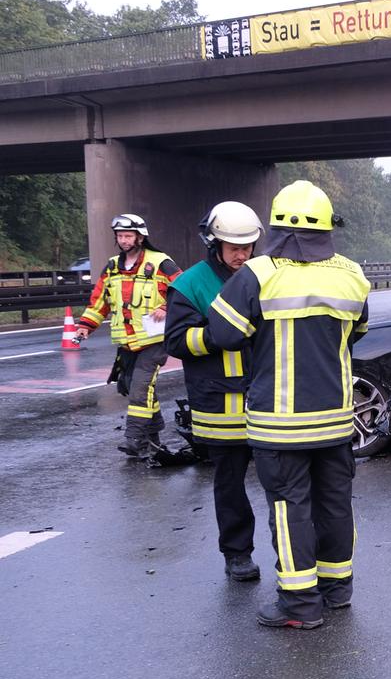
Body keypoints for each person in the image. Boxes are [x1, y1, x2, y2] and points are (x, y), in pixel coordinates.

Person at [207, 181, 370, 629]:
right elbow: (356, 333)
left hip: (279, 425)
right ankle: (337, 590)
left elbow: (222, 334)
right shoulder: (353, 274)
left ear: (276, 226)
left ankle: (299, 605)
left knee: (289, 507)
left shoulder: (258, 273)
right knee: (336, 503)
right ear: (327, 226)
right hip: (336, 420)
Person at [164, 202, 266, 582]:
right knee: (230, 483)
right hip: (220, 403)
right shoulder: (191, 284)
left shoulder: (264, 275)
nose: (242, 254)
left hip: (268, 397)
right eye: (233, 246)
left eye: (248, 246)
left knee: (283, 481)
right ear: (213, 242)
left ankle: (293, 554)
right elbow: (176, 341)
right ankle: (238, 553)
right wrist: (215, 336)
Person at [76, 214, 182, 458]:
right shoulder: (112, 267)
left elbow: (184, 289)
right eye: (120, 236)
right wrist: (85, 326)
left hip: (154, 341)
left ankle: (133, 438)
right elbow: (99, 301)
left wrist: (166, 307)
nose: (123, 240)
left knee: (140, 388)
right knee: (134, 389)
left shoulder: (160, 262)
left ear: (140, 237)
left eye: (128, 236)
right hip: (127, 344)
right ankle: (153, 438)